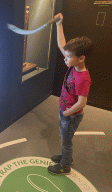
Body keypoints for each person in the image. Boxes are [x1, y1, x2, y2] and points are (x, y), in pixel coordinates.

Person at [48, 13, 93, 175]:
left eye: (68, 57)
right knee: (64, 139)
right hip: (66, 112)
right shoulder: (74, 66)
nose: (64, 59)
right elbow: (62, 45)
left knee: (66, 142)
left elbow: (82, 102)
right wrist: (59, 24)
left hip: (71, 115)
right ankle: (66, 158)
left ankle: (65, 166)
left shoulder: (82, 79)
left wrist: (66, 113)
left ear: (81, 58)